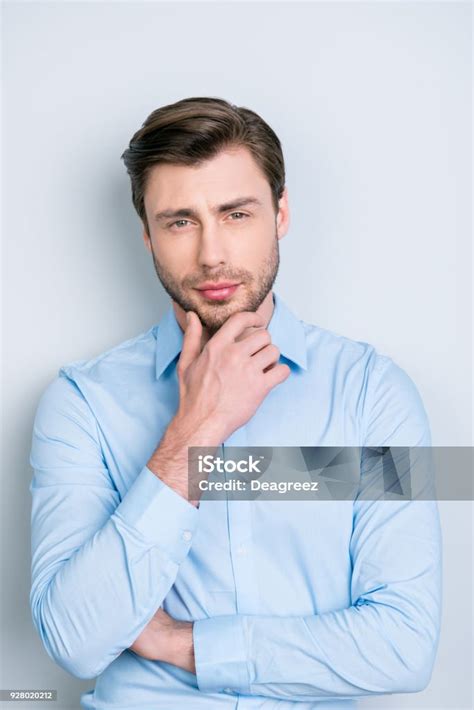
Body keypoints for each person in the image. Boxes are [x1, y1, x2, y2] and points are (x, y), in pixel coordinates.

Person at [29, 97, 442, 710]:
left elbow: (405, 647)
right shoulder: (81, 404)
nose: (211, 255)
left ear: (280, 214)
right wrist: (194, 432)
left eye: (235, 213)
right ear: (146, 234)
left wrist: (185, 644)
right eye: (179, 221)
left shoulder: (373, 395)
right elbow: (75, 642)